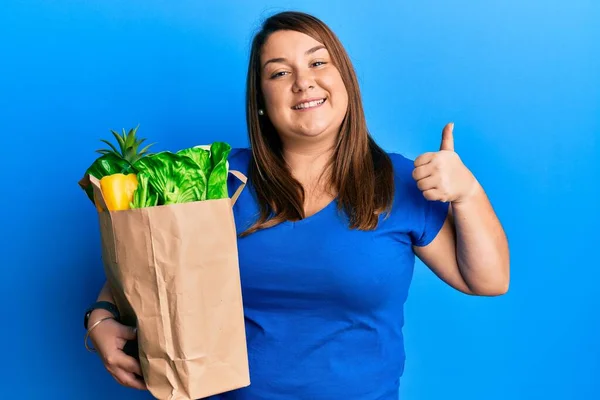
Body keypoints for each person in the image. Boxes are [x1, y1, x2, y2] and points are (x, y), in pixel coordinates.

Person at [83, 11, 510, 400]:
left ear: (346, 79)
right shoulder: (215, 177)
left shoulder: (400, 182)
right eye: (280, 72)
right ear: (261, 102)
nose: (303, 81)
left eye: (318, 63)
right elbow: (146, 261)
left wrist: (468, 194)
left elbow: (486, 280)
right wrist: (100, 318)